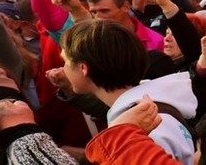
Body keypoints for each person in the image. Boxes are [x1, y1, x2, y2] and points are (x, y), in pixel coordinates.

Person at [59, 19, 197, 164]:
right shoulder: (149, 106)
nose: (63, 68)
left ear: (83, 68)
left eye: (66, 61)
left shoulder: (150, 128)